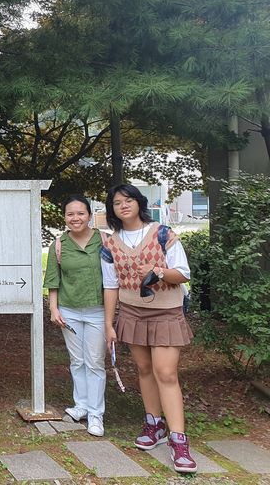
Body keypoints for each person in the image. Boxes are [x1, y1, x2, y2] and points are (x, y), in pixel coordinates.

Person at [101, 183, 197, 474]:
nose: (124, 206)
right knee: (144, 370)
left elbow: (183, 273)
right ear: (112, 210)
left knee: (165, 373)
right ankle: (153, 423)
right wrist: (109, 323)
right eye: (117, 203)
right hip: (131, 312)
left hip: (166, 312)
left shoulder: (163, 233)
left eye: (128, 200)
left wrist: (158, 273)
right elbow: (110, 285)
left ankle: (178, 440)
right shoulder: (110, 243)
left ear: (139, 203)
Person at [44, 195, 107, 437]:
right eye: (70, 214)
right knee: (77, 360)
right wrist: (54, 309)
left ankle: (96, 414)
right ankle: (81, 405)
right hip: (69, 310)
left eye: (80, 213)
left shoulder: (104, 241)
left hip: (97, 310)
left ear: (89, 215)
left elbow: (113, 279)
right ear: (65, 217)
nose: (75, 218)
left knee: (95, 362)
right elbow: (53, 280)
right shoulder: (59, 244)